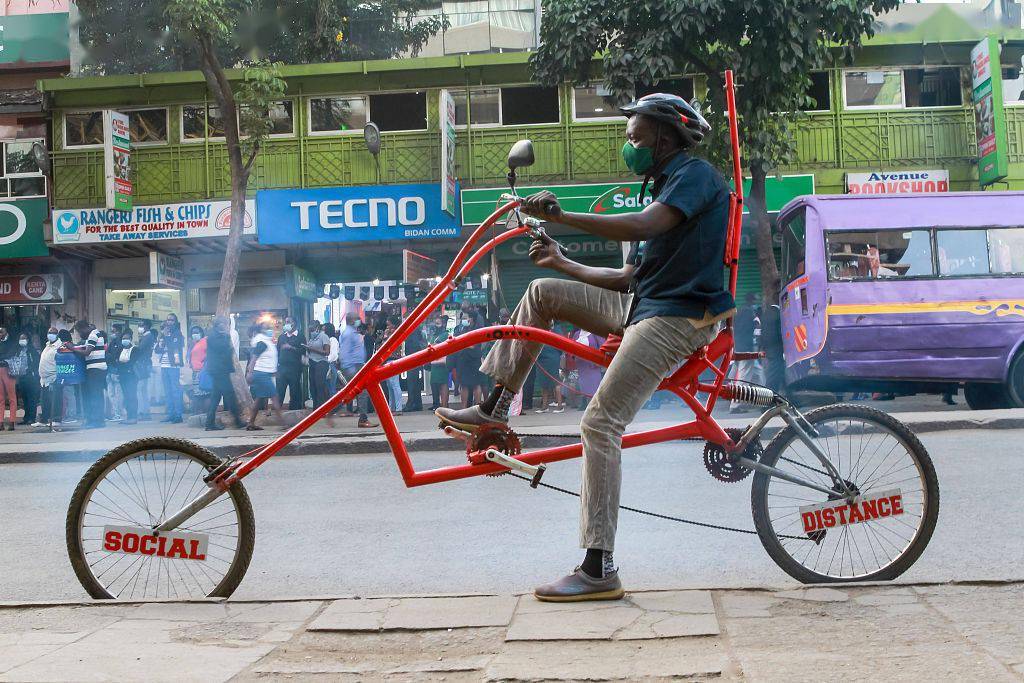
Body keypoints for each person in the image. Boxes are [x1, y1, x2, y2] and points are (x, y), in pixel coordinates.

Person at [436, 93, 732, 601]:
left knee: (599, 422)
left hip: (679, 317)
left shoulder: (695, 176)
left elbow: (643, 226)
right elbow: (627, 277)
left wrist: (564, 216)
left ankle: (598, 567)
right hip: (645, 305)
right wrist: (561, 262)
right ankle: (495, 407)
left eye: (635, 137)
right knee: (541, 291)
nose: (628, 145)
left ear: (664, 137)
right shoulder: (662, 186)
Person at [337, 314, 377, 428]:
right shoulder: (349, 334)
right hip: (353, 367)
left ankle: (333, 410)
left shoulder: (353, 332)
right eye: (357, 319)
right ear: (352, 321)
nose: (360, 321)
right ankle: (363, 419)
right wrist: (348, 368)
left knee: (353, 392)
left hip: (357, 366)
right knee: (362, 392)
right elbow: (344, 352)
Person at [204, 316, 243, 431]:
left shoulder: (219, 336)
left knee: (215, 397)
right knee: (230, 395)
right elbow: (224, 349)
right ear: (218, 325)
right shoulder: (215, 337)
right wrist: (226, 337)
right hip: (219, 371)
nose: (225, 325)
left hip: (220, 370)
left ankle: (209, 423)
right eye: (223, 323)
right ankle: (237, 421)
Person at [245, 321, 284, 430]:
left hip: (262, 374)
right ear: (261, 330)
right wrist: (249, 373)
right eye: (267, 328)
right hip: (261, 374)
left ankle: (251, 423)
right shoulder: (262, 342)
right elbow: (254, 358)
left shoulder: (266, 341)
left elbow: (266, 358)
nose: (269, 330)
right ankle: (284, 424)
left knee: (259, 399)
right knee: (275, 397)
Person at [70, 320, 108, 429]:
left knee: (95, 395)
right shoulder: (94, 334)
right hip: (95, 369)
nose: (80, 334)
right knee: (95, 395)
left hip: (95, 369)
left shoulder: (93, 335)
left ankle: (97, 421)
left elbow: (87, 352)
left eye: (79, 332)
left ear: (84, 328)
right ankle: (95, 419)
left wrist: (72, 348)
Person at [730, 292, 762, 414]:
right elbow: (753, 328)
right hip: (746, 348)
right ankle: (735, 405)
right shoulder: (749, 312)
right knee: (743, 377)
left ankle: (762, 398)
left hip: (739, 346)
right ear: (752, 301)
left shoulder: (739, 311)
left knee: (759, 373)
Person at [155, 314, 185, 423]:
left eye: (172, 320)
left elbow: (173, 346)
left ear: (175, 321)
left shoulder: (178, 333)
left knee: (175, 390)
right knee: (167, 391)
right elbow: (157, 349)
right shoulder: (163, 334)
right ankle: (170, 413)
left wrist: (166, 336)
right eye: (168, 320)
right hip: (164, 365)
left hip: (173, 366)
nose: (169, 322)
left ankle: (178, 415)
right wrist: (161, 338)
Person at [276, 316, 305, 411]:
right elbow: (278, 351)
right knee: (279, 391)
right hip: (282, 368)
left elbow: (303, 350)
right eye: (285, 322)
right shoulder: (281, 337)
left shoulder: (300, 336)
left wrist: (291, 348)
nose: (286, 324)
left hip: (295, 368)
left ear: (294, 324)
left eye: (288, 322)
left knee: (294, 391)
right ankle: (277, 414)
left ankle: (294, 411)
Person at [11, 332, 40, 426]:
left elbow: (36, 362)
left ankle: (32, 418)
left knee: (32, 398)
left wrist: (33, 372)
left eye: (24, 338)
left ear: (28, 340)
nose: (22, 340)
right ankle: (26, 417)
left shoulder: (32, 350)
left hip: (31, 377)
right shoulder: (18, 350)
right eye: (20, 338)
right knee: (25, 399)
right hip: (21, 377)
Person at [534, 332, 564, 414]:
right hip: (546, 360)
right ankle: (545, 407)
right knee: (545, 383)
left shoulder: (549, 333)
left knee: (554, 383)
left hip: (549, 359)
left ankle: (559, 406)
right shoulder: (551, 333)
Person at [116, 330, 141, 424]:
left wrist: (122, 364)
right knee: (126, 396)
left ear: (130, 339)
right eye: (123, 338)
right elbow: (117, 362)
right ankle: (129, 417)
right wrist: (123, 364)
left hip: (132, 376)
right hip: (123, 376)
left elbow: (132, 362)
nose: (124, 340)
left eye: (126, 338)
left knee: (132, 395)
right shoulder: (120, 349)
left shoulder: (135, 349)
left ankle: (133, 417)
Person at [38, 327, 61, 428]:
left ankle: (56, 419)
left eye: (53, 333)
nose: (50, 334)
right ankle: (44, 420)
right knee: (45, 400)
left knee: (55, 399)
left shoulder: (59, 345)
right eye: (49, 332)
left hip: (53, 376)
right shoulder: (47, 345)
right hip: (44, 378)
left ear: (57, 335)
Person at [426, 315, 450, 410]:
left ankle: (444, 406)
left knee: (443, 384)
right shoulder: (434, 335)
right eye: (435, 323)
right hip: (434, 363)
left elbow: (436, 345)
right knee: (435, 383)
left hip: (442, 362)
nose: (436, 326)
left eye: (438, 324)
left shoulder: (445, 334)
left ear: (443, 324)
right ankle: (436, 405)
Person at [305, 320, 331, 408]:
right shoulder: (312, 339)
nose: (311, 332)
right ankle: (316, 408)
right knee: (313, 387)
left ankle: (323, 408)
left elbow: (327, 352)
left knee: (320, 386)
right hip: (312, 363)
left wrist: (312, 349)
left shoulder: (324, 337)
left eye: (312, 330)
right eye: (309, 330)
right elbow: (310, 350)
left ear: (317, 328)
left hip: (321, 363)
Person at [135, 319, 156, 420]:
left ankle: (143, 412)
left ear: (147, 326)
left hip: (143, 364)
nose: (140, 327)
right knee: (142, 389)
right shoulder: (146, 336)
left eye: (141, 325)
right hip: (144, 364)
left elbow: (140, 349)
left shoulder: (147, 337)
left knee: (141, 389)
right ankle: (145, 412)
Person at [104, 322, 125, 421]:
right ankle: (115, 413)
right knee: (111, 394)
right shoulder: (112, 342)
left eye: (114, 331)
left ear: (119, 331)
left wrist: (110, 357)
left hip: (117, 371)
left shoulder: (121, 342)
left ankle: (118, 414)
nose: (112, 333)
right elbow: (108, 354)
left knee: (117, 394)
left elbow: (114, 355)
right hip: (110, 370)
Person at [188, 325, 209, 416]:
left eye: (197, 332)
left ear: (201, 333)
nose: (195, 334)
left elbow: (209, 354)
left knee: (206, 394)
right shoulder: (192, 344)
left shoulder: (205, 341)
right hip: (195, 372)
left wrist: (205, 365)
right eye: (193, 333)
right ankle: (199, 415)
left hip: (203, 371)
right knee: (197, 395)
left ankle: (207, 415)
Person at [0, 327, 18, 430]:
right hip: (1, 369)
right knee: (0, 398)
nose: (0, 334)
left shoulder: (12, 342)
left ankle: (12, 421)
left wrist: (2, 357)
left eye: (1, 332)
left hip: (9, 370)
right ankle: (1, 422)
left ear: (6, 332)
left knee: (11, 397)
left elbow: (10, 355)